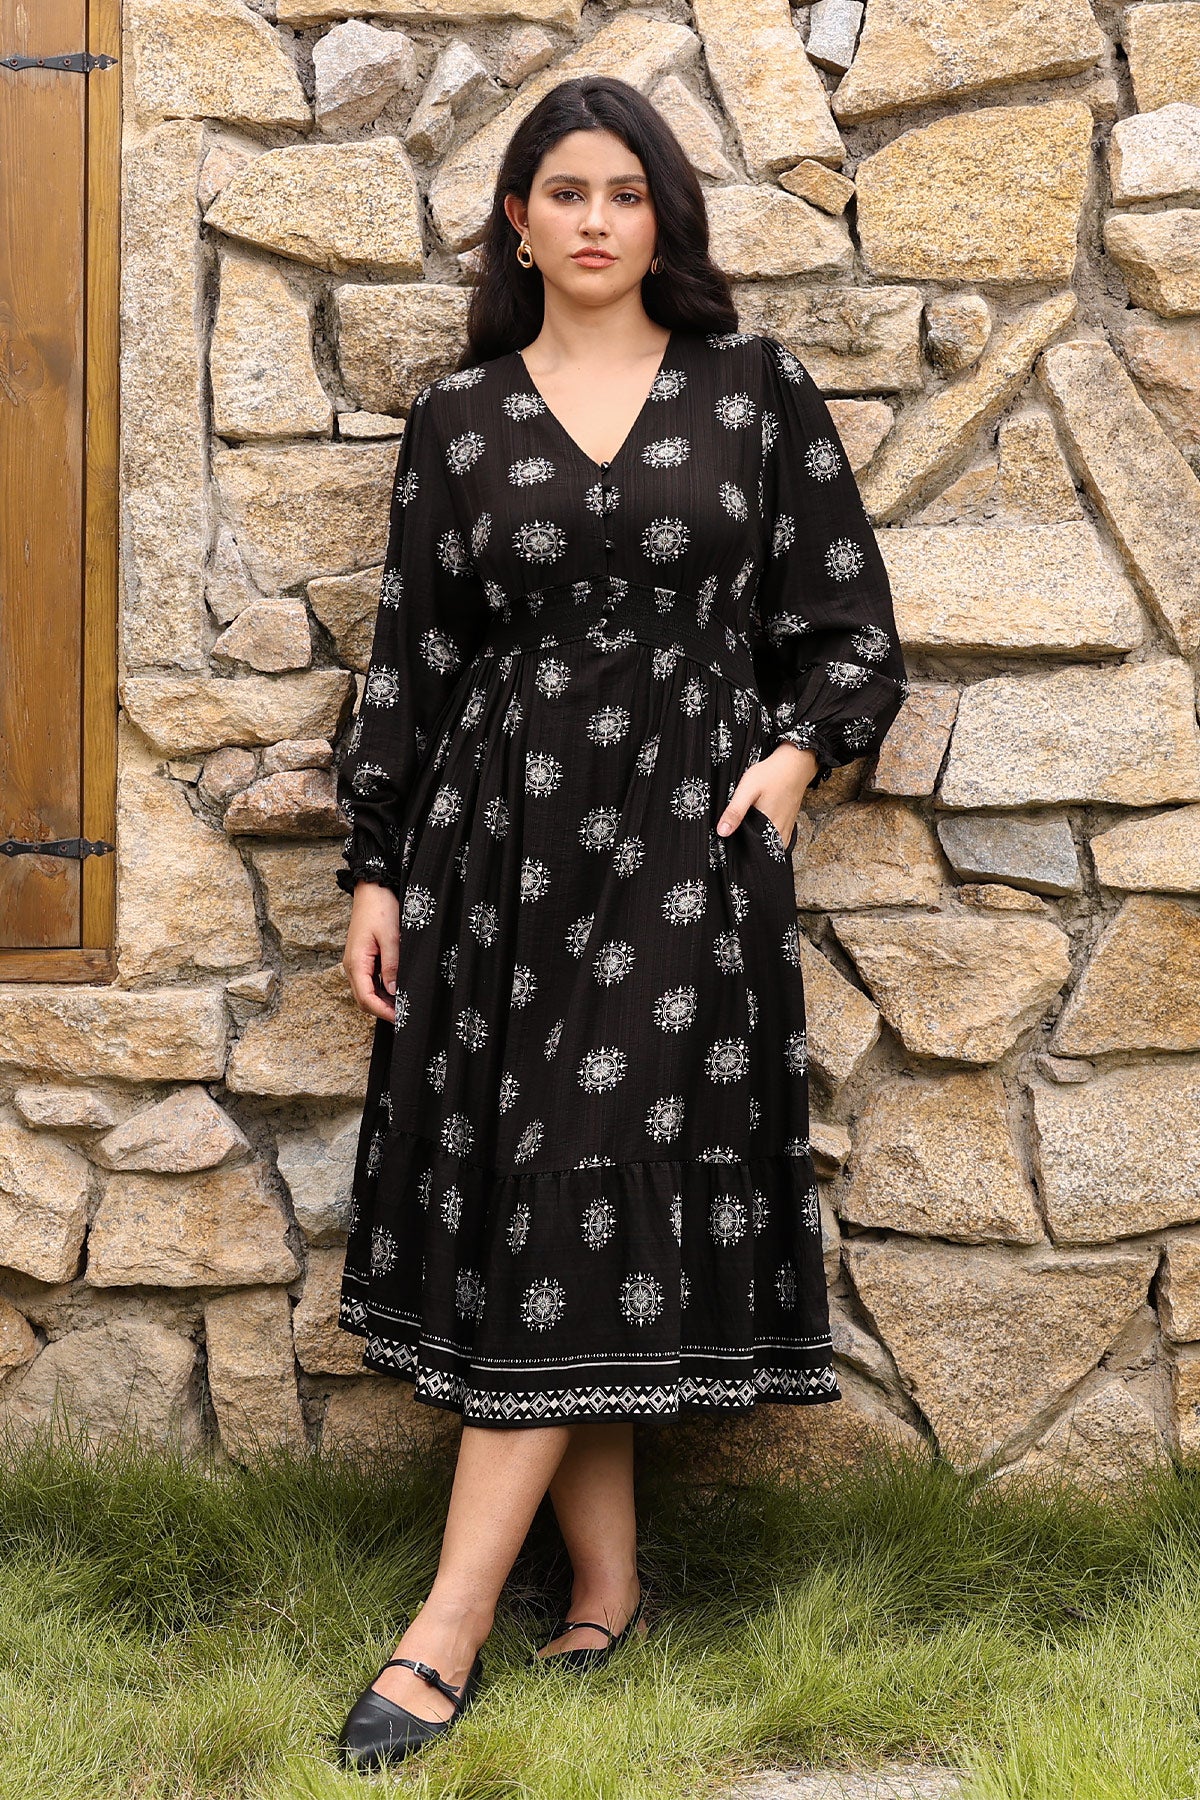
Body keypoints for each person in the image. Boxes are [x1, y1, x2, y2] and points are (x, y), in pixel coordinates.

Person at [331, 72, 907, 1772]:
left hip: (683, 845)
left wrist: (794, 760)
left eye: (627, 191)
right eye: (566, 191)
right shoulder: (459, 419)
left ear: (665, 217)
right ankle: (605, 1584)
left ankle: (443, 1632)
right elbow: (411, 658)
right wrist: (375, 867)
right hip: (500, 856)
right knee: (549, 1194)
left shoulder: (753, 391)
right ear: (518, 220)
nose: (596, 219)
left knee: (583, 1164)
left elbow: (851, 622)